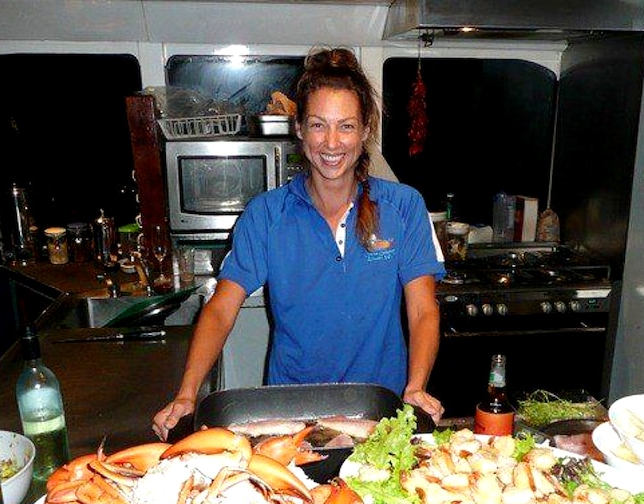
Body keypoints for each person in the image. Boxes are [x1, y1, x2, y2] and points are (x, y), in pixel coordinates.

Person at [152, 47, 446, 441]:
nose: (331, 143)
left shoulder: (405, 207)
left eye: (346, 126)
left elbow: (423, 309)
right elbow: (221, 309)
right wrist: (187, 394)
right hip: (291, 416)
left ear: (364, 131)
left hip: (379, 413)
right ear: (299, 130)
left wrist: (415, 386)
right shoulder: (265, 215)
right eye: (318, 125)